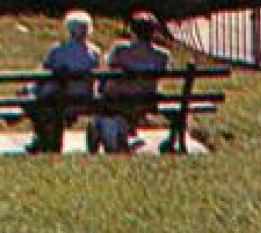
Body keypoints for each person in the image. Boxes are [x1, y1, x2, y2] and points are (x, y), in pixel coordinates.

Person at [89, 11, 171, 155]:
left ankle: (106, 132)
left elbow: (108, 70)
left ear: (132, 30)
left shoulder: (120, 49)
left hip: (116, 98)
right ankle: (125, 133)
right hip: (146, 99)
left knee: (103, 93)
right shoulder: (162, 55)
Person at [25, 10, 100, 154]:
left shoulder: (58, 50)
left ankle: (40, 137)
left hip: (60, 96)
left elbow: (44, 72)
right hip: (85, 96)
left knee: (37, 99)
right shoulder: (94, 53)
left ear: (69, 29)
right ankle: (42, 136)